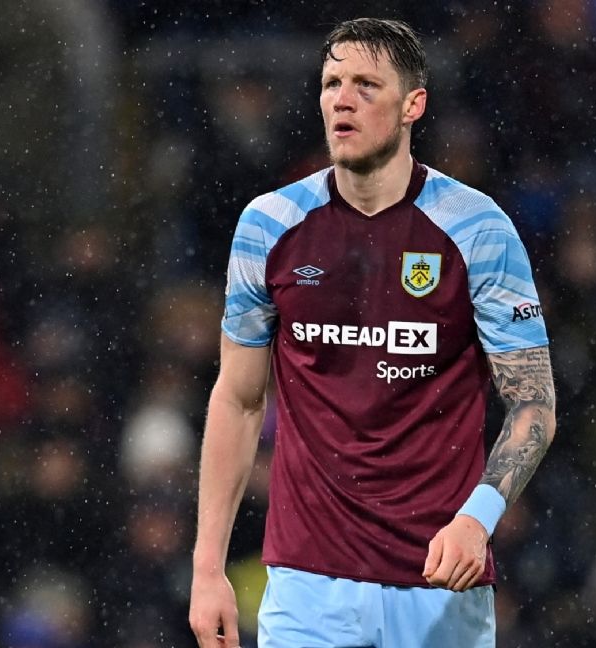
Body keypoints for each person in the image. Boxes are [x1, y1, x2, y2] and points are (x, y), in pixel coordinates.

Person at [189, 17, 556, 648]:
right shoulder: (269, 225)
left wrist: (478, 519)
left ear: (413, 105)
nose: (343, 99)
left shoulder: (478, 229)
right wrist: (207, 568)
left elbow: (534, 404)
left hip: (439, 581)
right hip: (307, 585)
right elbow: (239, 398)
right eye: (332, 83)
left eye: (366, 84)